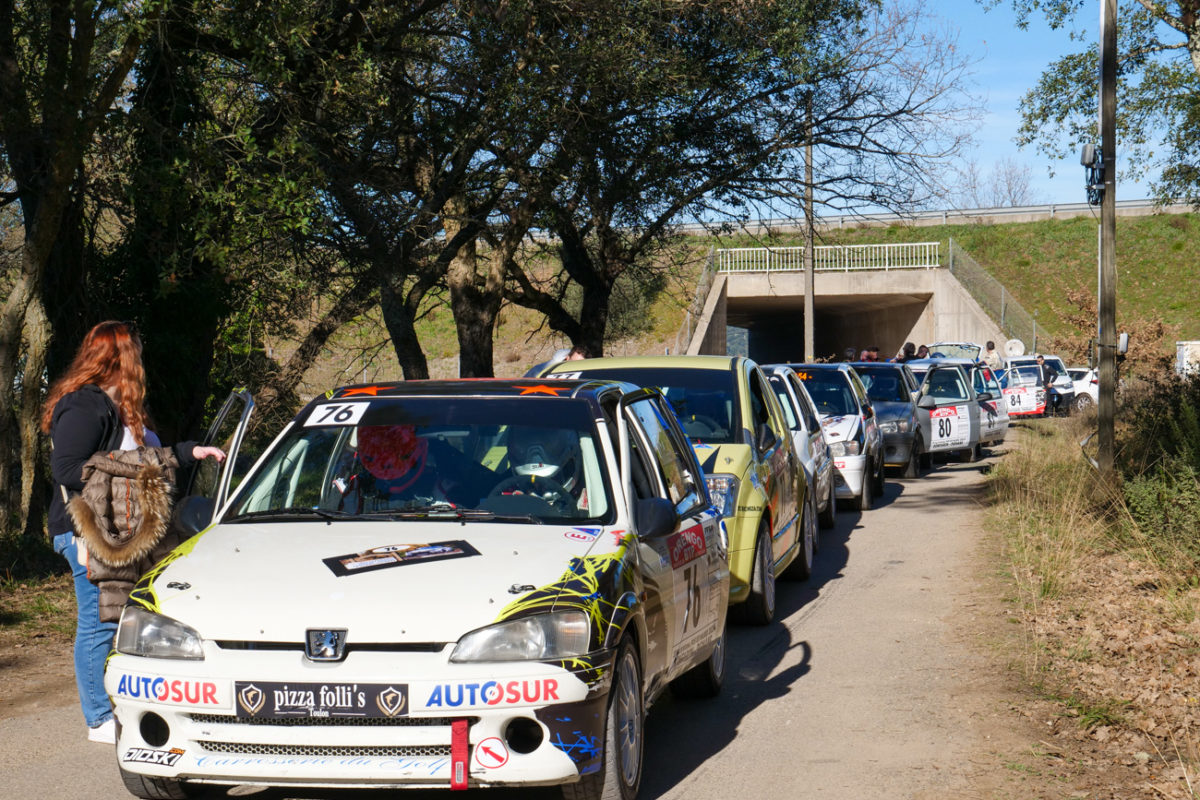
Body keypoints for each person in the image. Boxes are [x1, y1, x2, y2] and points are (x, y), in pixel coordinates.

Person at [40, 320, 224, 744]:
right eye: (135, 353)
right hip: (89, 531)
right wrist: (86, 540)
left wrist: (185, 453)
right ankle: (98, 718)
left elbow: (140, 456)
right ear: (118, 358)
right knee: (98, 621)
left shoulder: (117, 404)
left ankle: (123, 705)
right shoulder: (84, 405)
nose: (140, 362)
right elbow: (69, 471)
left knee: (130, 617)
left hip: (121, 533)